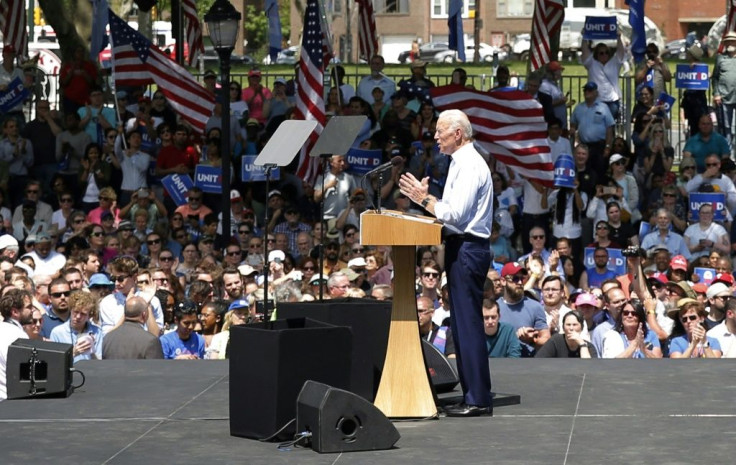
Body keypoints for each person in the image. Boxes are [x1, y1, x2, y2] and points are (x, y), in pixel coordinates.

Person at [398, 109, 493, 417]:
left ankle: (478, 398)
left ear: (458, 134)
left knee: (467, 326)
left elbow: (455, 214)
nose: (435, 136)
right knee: (463, 324)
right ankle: (472, 393)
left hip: (467, 248)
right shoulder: (460, 162)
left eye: (440, 132)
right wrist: (429, 198)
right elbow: (451, 207)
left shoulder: (468, 165)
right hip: (460, 246)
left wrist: (422, 200)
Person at [494, 262, 550, 357]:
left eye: (522, 279)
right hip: (501, 363)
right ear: (503, 281)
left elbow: (547, 339)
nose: (520, 283)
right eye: (515, 279)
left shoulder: (535, 307)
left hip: (528, 364)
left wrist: (532, 339)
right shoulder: (494, 308)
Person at [569, 81, 615, 178]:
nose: (587, 92)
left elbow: (609, 128)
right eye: (585, 90)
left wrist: (608, 147)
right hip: (584, 146)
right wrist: (572, 129)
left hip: (599, 146)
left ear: (596, 93)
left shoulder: (603, 107)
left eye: (590, 90)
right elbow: (573, 123)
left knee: (599, 172)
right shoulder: (578, 108)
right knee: (584, 172)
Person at [49, 291, 103, 363]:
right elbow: (54, 363)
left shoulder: (97, 332)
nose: (78, 317)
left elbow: (99, 363)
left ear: (89, 316)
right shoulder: (57, 332)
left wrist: (92, 350)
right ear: (71, 310)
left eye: (83, 314)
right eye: (76, 312)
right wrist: (73, 353)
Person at [0, 289, 33, 401]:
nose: (32, 310)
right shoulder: (18, 336)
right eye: (28, 307)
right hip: (9, 402)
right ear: (15, 312)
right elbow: (23, 373)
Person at [712, 31, 736, 144]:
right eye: (728, 41)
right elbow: (715, 77)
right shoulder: (720, 58)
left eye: (733, 41)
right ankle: (728, 156)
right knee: (726, 127)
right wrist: (716, 93)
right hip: (724, 98)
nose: (730, 43)